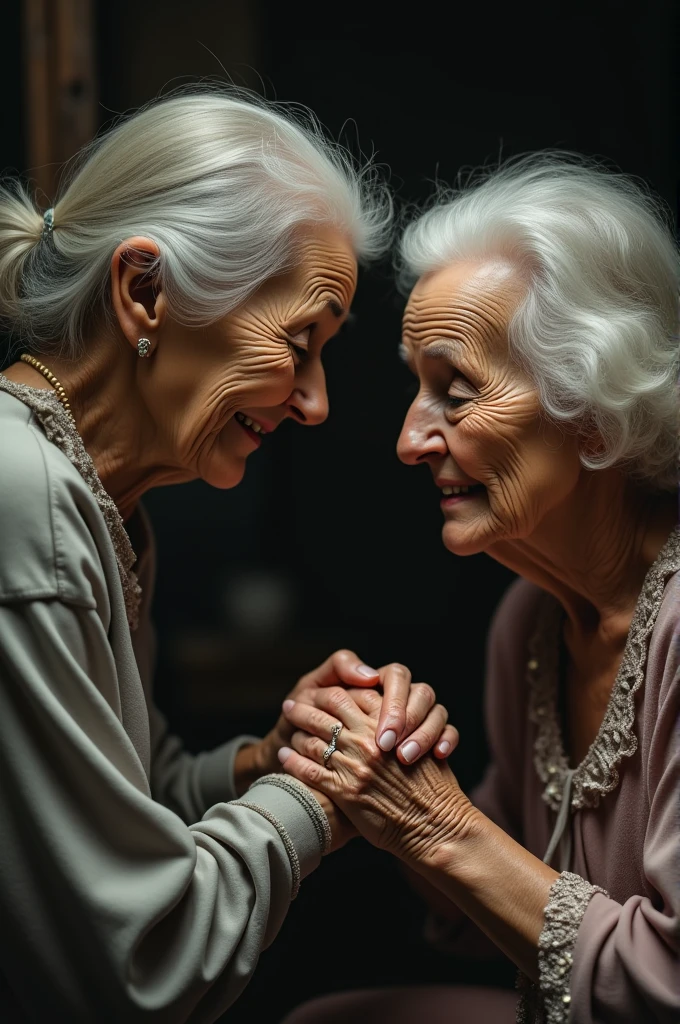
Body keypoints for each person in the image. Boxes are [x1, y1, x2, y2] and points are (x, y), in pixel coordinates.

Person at [0, 88, 457, 1022]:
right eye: (299, 342)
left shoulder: (103, 503)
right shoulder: (26, 499)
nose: (317, 403)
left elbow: (131, 793)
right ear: (145, 292)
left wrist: (260, 763)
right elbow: (145, 968)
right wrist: (321, 789)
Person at [279, 157, 680, 1024]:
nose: (409, 440)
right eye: (416, 389)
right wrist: (374, 769)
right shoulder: (530, 619)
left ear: (595, 408)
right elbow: (479, 917)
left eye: (454, 393)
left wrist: (436, 824)